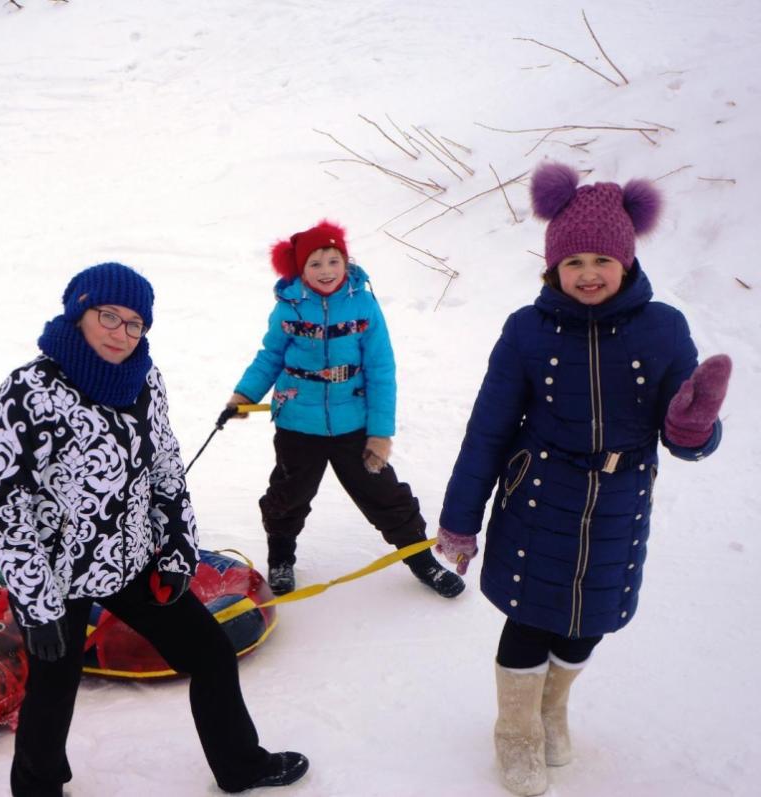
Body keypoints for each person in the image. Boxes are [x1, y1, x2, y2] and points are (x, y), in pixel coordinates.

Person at [434, 162, 732, 796]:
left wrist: (694, 424)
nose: (588, 273)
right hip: (539, 498)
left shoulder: (664, 328)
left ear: (626, 260)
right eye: (573, 262)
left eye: (601, 258)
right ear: (551, 269)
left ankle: (551, 710)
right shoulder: (526, 330)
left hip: (620, 503)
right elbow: (486, 430)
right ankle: (515, 734)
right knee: (531, 616)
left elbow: (685, 438)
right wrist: (461, 519)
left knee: (590, 619)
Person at [0, 262, 309, 796]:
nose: (121, 333)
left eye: (135, 323)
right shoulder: (29, 390)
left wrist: (178, 548)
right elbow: (5, 505)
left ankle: (240, 765)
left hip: (132, 560)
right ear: (80, 312)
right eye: (109, 316)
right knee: (52, 690)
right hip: (55, 576)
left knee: (210, 654)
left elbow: (165, 466)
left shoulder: (144, 377)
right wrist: (36, 603)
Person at [225, 220, 463, 599]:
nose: (325, 271)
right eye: (315, 264)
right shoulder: (289, 306)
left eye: (333, 261)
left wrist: (380, 433)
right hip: (297, 423)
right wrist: (243, 396)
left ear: (345, 260)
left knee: (385, 494)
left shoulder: (363, 304)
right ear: (300, 269)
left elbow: (381, 370)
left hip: (354, 424)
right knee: (288, 494)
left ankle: (421, 559)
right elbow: (270, 356)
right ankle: (281, 558)